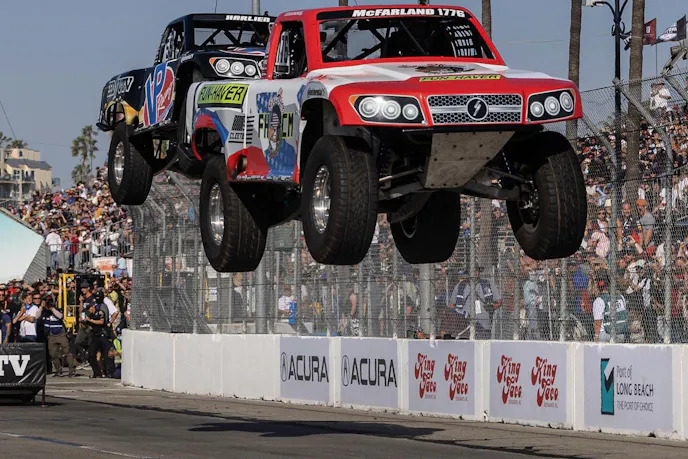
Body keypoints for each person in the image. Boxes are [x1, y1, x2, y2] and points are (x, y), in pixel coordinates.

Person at [40, 297, 76, 377]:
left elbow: (60, 316)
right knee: (53, 354)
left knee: (67, 352)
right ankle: (58, 370)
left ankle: (72, 370)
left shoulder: (57, 310)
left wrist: (52, 308)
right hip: (51, 335)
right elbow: (37, 316)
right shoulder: (44, 312)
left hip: (61, 334)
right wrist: (42, 307)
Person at [593, 272, 628, 343]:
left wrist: (596, 336)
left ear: (598, 287)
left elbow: (598, 321)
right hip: (620, 333)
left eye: (595, 285)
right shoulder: (620, 297)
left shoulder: (599, 300)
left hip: (605, 334)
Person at [83, 290, 110, 378]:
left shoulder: (102, 308)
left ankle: (108, 372)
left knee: (106, 355)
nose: (97, 298)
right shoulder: (94, 308)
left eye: (99, 297)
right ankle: (97, 372)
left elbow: (102, 321)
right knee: (91, 354)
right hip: (95, 334)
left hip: (102, 334)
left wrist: (90, 320)